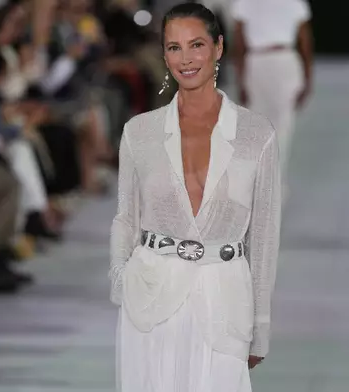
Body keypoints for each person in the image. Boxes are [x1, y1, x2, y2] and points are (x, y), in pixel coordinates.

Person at [110, 3, 281, 391]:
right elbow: (126, 217)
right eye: (173, 47)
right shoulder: (140, 132)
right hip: (151, 298)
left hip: (225, 297)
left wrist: (261, 327)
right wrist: (121, 283)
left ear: (219, 47)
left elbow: (265, 235)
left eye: (196, 45)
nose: (185, 59)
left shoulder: (256, 135)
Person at [232, 0, 313, 202]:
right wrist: (308, 77)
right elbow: (305, 39)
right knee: (282, 129)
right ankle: (274, 189)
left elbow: (238, 41)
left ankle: (257, 189)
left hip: (257, 61)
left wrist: (241, 79)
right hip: (284, 59)